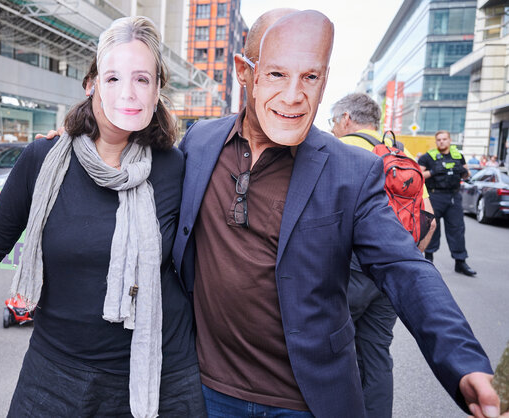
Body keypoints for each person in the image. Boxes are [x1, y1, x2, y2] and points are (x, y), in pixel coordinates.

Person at [173, 10, 501, 418]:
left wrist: (464, 363)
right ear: (244, 71)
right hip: (205, 389)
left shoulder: (351, 170)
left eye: (310, 77)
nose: (294, 95)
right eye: (276, 74)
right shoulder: (199, 142)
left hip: (306, 399)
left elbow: (405, 267)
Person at [0, 16, 204, 418]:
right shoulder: (43, 160)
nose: (128, 92)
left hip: (158, 373)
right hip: (56, 372)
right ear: (92, 84)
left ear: (156, 93)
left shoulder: (177, 167)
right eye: (114, 78)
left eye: (143, 79)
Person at [329, 92, 436, 418]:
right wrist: (403, 258)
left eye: (334, 121)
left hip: (351, 272)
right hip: (391, 275)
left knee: (329, 352)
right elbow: (429, 219)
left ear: (346, 119)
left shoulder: (343, 149)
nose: (333, 128)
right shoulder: (401, 158)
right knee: (376, 355)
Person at [418, 131, 477, 276]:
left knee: (457, 229)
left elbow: (467, 174)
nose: (441, 142)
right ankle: (429, 260)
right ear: (436, 141)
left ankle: (460, 262)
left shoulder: (458, 155)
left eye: (444, 139)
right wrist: (433, 171)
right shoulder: (427, 156)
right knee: (432, 228)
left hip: (454, 196)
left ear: (450, 140)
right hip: (435, 195)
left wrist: (463, 171)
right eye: (439, 140)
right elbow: (418, 175)